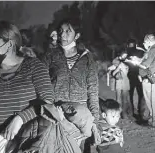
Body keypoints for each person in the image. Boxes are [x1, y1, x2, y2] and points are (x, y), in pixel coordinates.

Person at [0, 20, 54, 151]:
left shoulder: (34, 66)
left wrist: (20, 119)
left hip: (28, 140)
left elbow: (48, 101)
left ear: (9, 44)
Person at [41, 18, 100, 153]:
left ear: (77, 35)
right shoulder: (50, 56)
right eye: (61, 31)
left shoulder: (86, 58)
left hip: (81, 115)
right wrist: (49, 106)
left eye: (68, 31)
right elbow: (41, 84)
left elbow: (93, 90)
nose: (63, 35)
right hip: (57, 113)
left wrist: (95, 121)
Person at [131, 33, 155, 128]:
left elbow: (144, 65)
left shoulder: (153, 49)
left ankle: (153, 122)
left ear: (148, 41)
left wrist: (135, 62)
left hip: (154, 78)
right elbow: (152, 62)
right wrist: (139, 59)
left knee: (152, 100)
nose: (143, 44)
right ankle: (153, 119)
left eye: (144, 42)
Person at [125, 38, 150, 121]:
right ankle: (140, 113)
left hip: (133, 76)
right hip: (138, 76)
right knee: (140, 95)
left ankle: (131, 112)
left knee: (131, 95)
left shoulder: (127, 52)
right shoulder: (141, 51)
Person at [107, 51, 133, 120]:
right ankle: (124, 114)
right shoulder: (128, 63)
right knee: (124, 99)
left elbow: (113, 73)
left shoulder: (121, 63)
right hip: (125, 82)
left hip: (120, 82)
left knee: (119, 99)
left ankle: (120, 113)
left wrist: (116, 72)